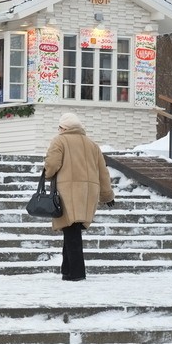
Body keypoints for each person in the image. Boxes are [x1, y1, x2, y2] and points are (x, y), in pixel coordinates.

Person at [43, 113, 114, 281]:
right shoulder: (92, 145)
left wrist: (47, 173)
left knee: (71, 229)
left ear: (64, 128)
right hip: (88, 192)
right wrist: (107, 195)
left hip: (68, 190)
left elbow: (52, 165)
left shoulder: (59, 141)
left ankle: (76, 272)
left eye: (59, 127)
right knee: (72, 229)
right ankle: (67, 270)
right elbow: (103, 172)